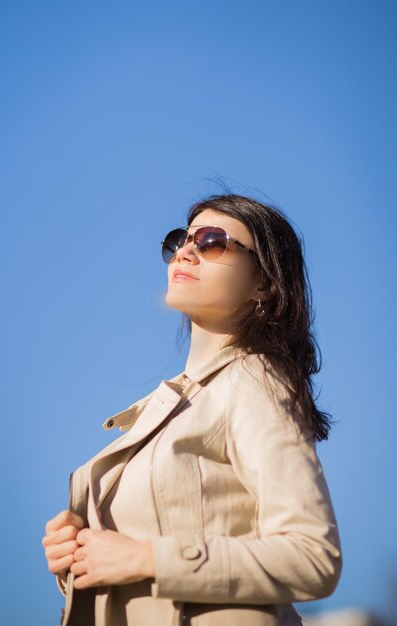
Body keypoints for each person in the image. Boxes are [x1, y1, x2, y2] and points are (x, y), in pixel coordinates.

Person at [42, 193, 343, 626]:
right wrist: (79, 554)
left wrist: (149, 558)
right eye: (180, 240)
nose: (185, 250)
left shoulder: (254, 379)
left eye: (212, 241)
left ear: (263, 284)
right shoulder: (170, 406)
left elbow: (313, 556)